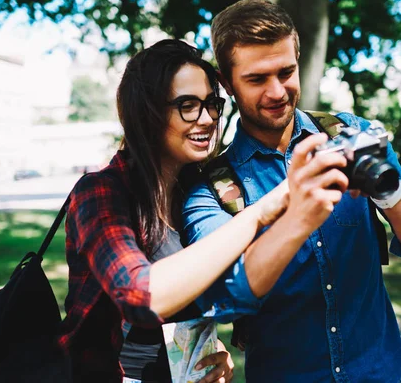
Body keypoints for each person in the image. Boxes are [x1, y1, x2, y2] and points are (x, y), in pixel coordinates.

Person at [182, 0, 401, 382]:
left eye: (286, 71)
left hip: (378, 372)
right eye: (257, 79)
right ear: (226, 83)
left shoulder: (351, 135)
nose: (277, 91)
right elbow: (223, 294)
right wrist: (296, 214)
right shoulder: (212, 186)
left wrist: (387, 191)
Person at [56, 39, 344, 383]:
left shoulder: (199, 189)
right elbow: (142, 296)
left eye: (211, 104)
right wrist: (259, 213)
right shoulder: (101, 191)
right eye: (188, 105)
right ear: (146, 112)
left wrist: (214, 349)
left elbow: (218, 291)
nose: (207, 119)